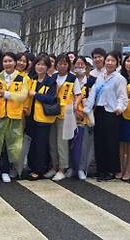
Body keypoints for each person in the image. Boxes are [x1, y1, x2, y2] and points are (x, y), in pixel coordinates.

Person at [0, 52, 29, 183]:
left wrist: (7, 94)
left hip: (14, 116)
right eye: (5, 61)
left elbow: (23, 96)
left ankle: (5, 170)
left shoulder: (23, 78)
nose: (7, 63)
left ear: (15, 63)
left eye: (10, 61)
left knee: (10, 145)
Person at [84, 51, 128, 181]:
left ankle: (111, 170)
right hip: (99, 110)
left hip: (112, 112)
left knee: (111, 142)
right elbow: (93, 93)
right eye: (108, 60)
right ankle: (100, 169)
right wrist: (88, 108)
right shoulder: (101, 76)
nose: (109, 63)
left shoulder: (119, 78)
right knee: (99, 141)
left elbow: (122, 97)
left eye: (112, 61)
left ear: (117, 63)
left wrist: (120, 108)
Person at [26, 55, 58, 180]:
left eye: (43, 65)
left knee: (41, 144)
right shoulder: (32, 80)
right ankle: (32, 166)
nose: (40, 67)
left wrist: (36, 95)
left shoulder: (51, 81)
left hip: (44, 118)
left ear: (48, 67)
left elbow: (51, 98)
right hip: (31, 116)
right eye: (38, 64)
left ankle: (39, 169)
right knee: (33, 143)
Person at [48, 53, 75, 181]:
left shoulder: (72, 78)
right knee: (52, 142)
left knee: (62, 143)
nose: (62, 66)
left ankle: (62, 169)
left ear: (68, 65)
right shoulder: (53, 77)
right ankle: (54, 166)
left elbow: (79, 94)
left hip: (65, 114)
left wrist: (74, 105)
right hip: (51, 113)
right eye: (60, 63)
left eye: (65, 63)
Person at [70, 56, 96, 180]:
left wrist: (84, 111)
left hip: (85, 116)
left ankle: (81, 168)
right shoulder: (70, 80)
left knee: (83, 144)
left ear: (87, 67)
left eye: (82, 64)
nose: (79, 67)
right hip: (70, 116)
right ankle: (70, 167)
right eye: (77, 64)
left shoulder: (91, 81)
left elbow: (94, 99)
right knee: (70, 143)